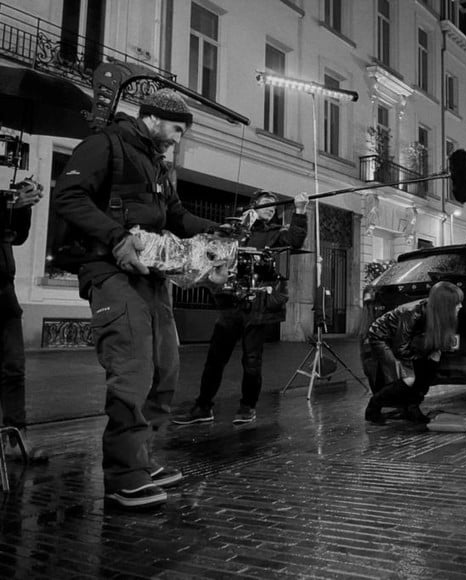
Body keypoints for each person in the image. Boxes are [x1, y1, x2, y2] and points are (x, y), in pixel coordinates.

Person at [52, 89, 219, 509]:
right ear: (151, 117)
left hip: (153, 277)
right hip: (110, 271)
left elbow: (177, 216)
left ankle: (141, 460)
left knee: (165, 368)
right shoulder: (103, 145)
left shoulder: (160, 165)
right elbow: (69, 197)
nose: (178, 139)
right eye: (176, 129)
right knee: (132, 368)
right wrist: (117, 237)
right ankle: (124, 476)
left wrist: (220, 231)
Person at [173, 191, 308, 426]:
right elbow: (214, 250)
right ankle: (203, 406)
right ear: (253, 206)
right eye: (266, 204)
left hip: (256, 305)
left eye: (274, 207)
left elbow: (295, 240)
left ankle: (248, 407)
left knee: (252, 359)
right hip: (230, 303)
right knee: (215, 359)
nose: (271, 209)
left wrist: (300, 212)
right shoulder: (236, 230)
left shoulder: (275, 233)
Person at [362, 281, 464, 425]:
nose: (460, 306)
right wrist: (418, 361)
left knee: (428, 369)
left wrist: (430, 362)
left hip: (407, 341)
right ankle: (374, 406)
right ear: (444, 305)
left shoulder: (439, 314)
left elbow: (435, 345)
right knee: (408, 379)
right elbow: (401, 348)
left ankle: (412, 408)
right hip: (382, 338)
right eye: (457, 303)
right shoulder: (411, 313)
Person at [0, 178, 48, 462]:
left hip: (5, 294)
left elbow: (16, 236)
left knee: (14, 369)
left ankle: (14, 440)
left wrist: (22, 206)